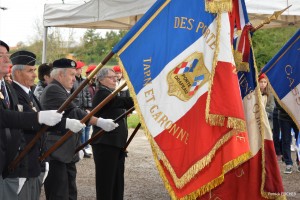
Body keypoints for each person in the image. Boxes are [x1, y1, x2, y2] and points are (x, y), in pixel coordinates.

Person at [9, 50, 85, 200]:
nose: (34, 74)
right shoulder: (14, 94)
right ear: (17, 73)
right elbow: (24, 120)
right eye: (30, 70)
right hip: (23, 159)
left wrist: (66, 123)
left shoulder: (29, 94)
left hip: (34, 158)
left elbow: (45, 121)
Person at [40, 58, 118, 200]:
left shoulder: (62, 89)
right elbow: (74, 111)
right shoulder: (53, 89)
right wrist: (98, 121)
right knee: (59, 192)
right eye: (71, 74)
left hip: (66, 148)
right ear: (60, 75)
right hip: (56, 150)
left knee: (70, 192)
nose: (74, 78)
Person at [0, 40, 63, 199]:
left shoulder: (6, 87)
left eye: (7, 56)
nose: (7, 60)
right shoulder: (11, 87)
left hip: (12, 163)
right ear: (18, 73)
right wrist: (38, 117)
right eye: (1, 56)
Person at [91, 68, 134, 200]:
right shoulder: (103, 94)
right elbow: (123, 102)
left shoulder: (111, 92)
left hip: (115, 144)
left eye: (115, 77)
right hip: (105, 144)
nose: (115, 79)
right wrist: (140, 97)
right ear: (101, 79)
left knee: (116, 182)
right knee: (106, 182)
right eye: (111, 77)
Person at [73, 61, 93, 158]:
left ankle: (86, 147)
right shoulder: (72, 81)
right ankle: (81, 148)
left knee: (87, 128)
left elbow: (87, 95)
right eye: (80, 68)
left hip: (84, 108)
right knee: (81, 129)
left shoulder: (84, 80)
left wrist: (89, 107)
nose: (81, 70)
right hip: (76, 108)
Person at [276, 100, 299, 174]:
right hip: (284, 117)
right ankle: (288, 164)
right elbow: (277, 101)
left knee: (299, 139)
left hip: (297, 116)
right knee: (285, 140)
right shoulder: (280, 87)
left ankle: (299, 161)